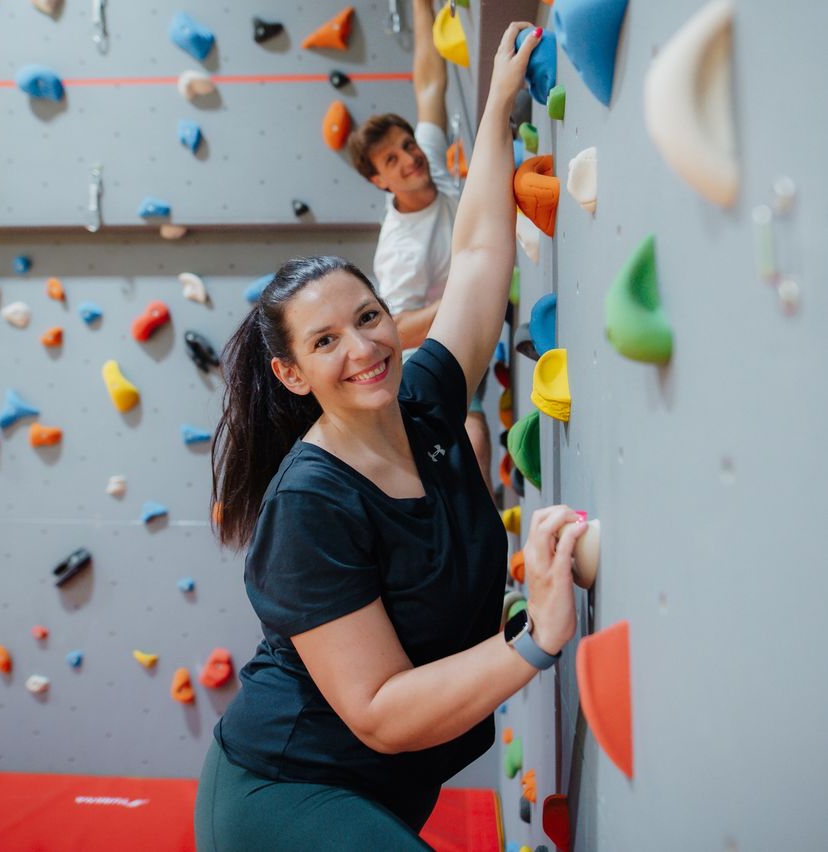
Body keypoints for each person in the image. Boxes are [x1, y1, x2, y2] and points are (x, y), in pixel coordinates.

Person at [195, 23, 585, 852]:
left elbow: (479, 255)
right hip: (285, 788)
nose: (364, 347)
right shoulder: (308, 506)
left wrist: (495, 110)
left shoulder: (427, 401)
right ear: (293, 374)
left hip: (378, 791)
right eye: (325, 341)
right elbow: (377, 711)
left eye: (368, 318)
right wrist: (536, 640)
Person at [346, 0, 493, 495]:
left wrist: (421, 6)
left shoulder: (424, 160)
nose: (411, 159)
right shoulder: (401, 249)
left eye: (407, 145)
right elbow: (397, 329)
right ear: (378, 180)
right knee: (471, 437)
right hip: (438, 341)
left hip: (474, 297)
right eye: (393, 159)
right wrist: (466, 295)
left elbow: (429, 82)